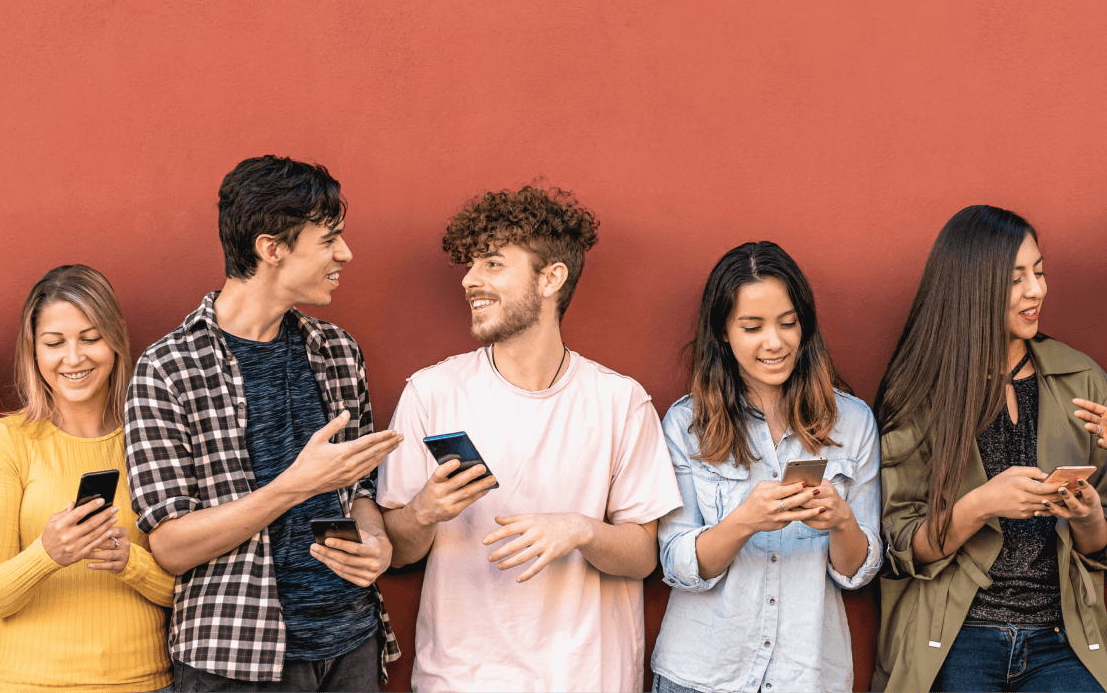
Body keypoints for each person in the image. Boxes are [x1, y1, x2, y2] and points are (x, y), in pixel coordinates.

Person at [377, 185, 682, 693]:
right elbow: (400, 551)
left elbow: (643, 556)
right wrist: (424, 511)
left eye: (493, 264)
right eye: (470, 267)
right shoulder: (431, 393)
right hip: (462, 679)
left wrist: (580, 529)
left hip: (588, 678)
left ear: (551, 278)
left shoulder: (620, 401)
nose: (471, 281)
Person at [124, 155, 402, 692]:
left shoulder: (338, 351)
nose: (345, 254)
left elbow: (359, 486)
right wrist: (293, 486)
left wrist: (374, 540)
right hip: (236, 659)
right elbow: (171, 545)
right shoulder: (168, 369)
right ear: (271, 249)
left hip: (353, 646)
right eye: (328, 240)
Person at [874, 205, 1107, 692]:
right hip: (955, 636)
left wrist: (1088, 519)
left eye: (1039, 272)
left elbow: (1097, 547)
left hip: (1060, 638)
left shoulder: (1081, 380)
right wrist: (981, 505)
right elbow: (901, 546)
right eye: (1016, 278)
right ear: (973, 285)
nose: (1037, 290)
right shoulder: (919, 393)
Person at [650, 242, 882, 693]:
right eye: (752, 327)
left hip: (806, 675)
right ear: (723, 331)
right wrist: (744, 523)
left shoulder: (853, 422)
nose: (774, 342)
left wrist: (841, 523)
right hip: (702, 676)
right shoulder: (686, 423)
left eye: (788, 323)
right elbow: (676, 562)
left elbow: (859, 572)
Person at [0, 265, 174, 692]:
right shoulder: (7, 441)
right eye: (54, 343)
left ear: (115, 342)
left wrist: (129, 561)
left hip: (143, 683)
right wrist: (47, 553)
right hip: (23, 684)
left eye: (91, 338)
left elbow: (193, 591)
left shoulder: (154, 438)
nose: (73, 358)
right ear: (34, 352)